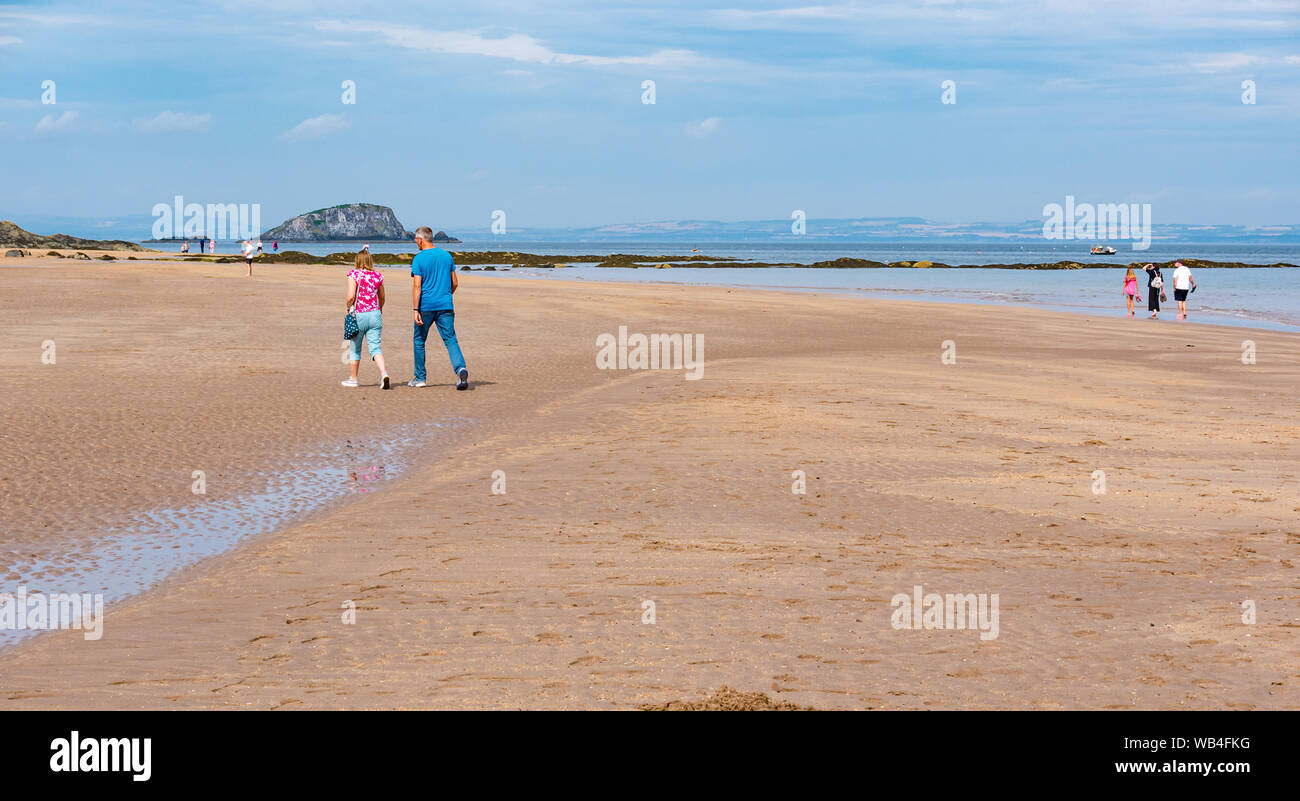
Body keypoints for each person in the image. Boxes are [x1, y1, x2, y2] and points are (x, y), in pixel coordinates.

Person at [409, 225, 468, 390]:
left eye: (415, 240)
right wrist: (446, 295)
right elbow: (455, 282)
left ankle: (420, 378)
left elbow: (417, 286)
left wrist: (415, 310)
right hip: (445, 305)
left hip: (425, 306)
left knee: (419, 340)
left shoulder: (419, 259)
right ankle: (460, 369)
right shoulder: (447, 256)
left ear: (421, 240)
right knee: (450, 340)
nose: (416, 243)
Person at [342, 250, 390, 389]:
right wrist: (379, 309)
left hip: (359, 315)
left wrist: (347, 308)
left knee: (355, 348)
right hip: (375, 314)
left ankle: (353, 379)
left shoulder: (354, 274)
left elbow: (351, 296)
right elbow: (382, 297)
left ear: (357, 261)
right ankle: (384, 374)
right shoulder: (377, 276)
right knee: (375, 347)